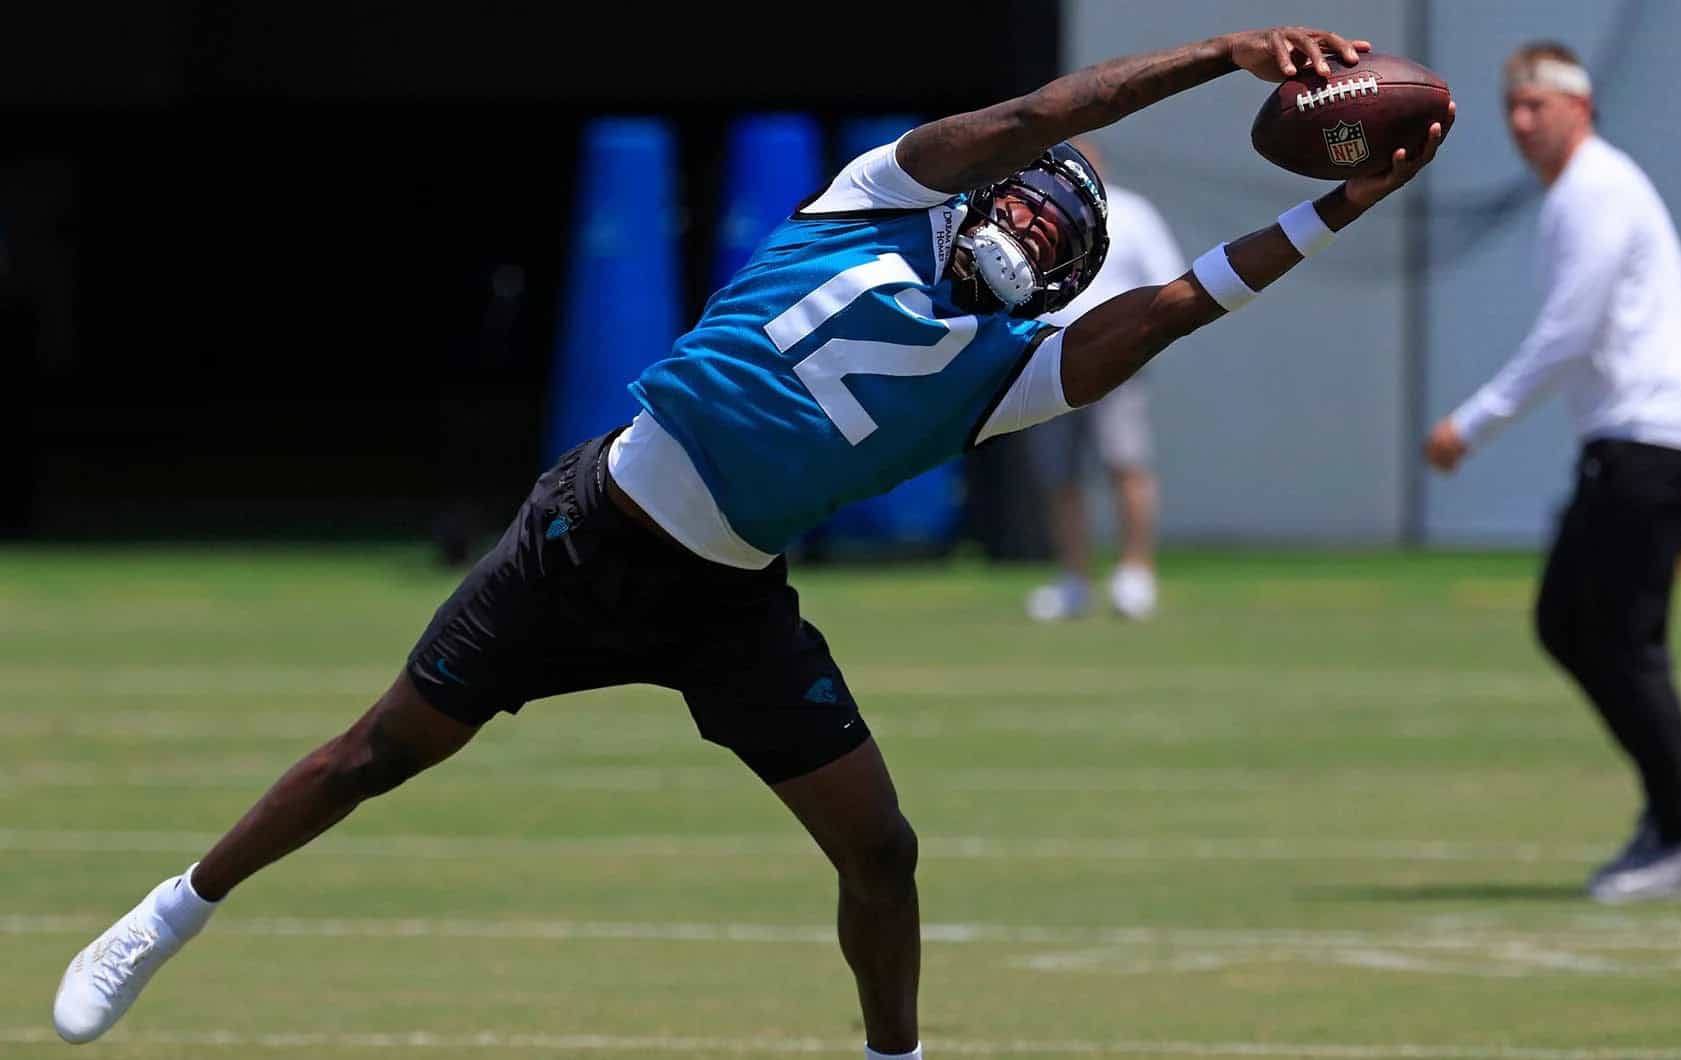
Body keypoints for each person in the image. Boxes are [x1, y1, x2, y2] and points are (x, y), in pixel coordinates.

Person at [54, 26, 1449, 1056]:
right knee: (378, 754)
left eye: (1056, 227)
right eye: (1023, 195)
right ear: (981, 193)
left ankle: (892, 1058)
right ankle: (169, 912)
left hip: (727, 607)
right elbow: (1040, 107)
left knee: (882, 852)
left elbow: (1189, 300)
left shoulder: (1013, 372)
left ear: (1072, 271)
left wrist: (1338, 204)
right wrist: (1220, 56)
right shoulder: (872, 200)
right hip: (588, 534)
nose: (1028, 220)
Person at [1422, 41, 1681, 905]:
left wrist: (1470, 424)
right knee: (1577, 626)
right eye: (1512, 107)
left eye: (1540, 104)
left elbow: (1570, 332)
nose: (1523, 121)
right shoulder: (1588, 192)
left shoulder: (1595, 190)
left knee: (1614, 638)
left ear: (1581, 106)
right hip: (1643, 440)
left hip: (1643, 442)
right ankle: (1679, 815)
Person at [1023, 138, 1185, 622]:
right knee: (1060, 474)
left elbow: (1168, 282)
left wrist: (1134, 341)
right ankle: (1074, 579)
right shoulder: (1033, 214)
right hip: (1046, 359)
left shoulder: (1132, 213)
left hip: (1116, 362)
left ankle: (1135, 575)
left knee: (1125, 462)